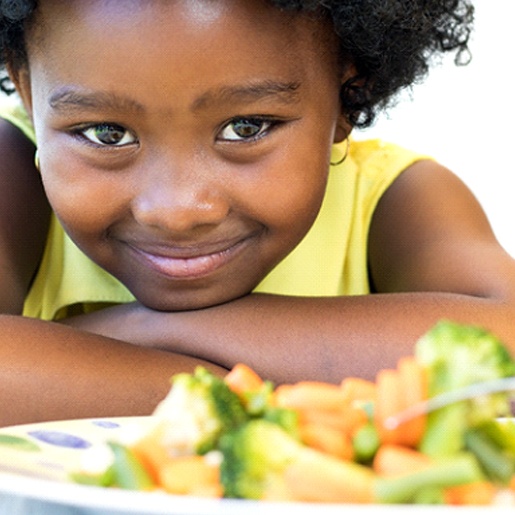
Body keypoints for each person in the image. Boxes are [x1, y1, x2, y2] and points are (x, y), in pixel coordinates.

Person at [0, 0, 513, 427]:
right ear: (25, 89)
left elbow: (507, 349)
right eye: (107, 135)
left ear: (346, 93)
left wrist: (147, 331)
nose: (178, 211)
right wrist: (274, 394)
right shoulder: (13, 170)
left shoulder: (395, 197)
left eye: (246, 127)